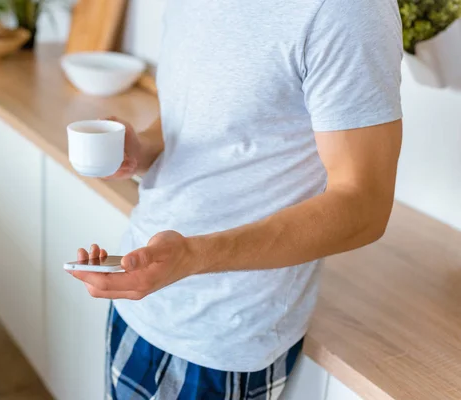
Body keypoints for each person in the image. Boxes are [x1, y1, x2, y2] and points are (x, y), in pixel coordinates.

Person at [69, 0, 403, 398]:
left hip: (224, 335)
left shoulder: (347, 10)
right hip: (139, 301)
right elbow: (189, 118)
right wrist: (139, 151)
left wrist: (195, 256)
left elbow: (363, 203)